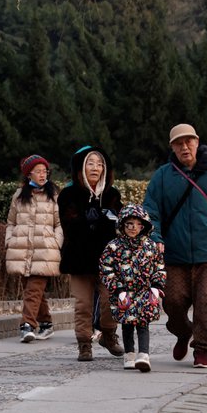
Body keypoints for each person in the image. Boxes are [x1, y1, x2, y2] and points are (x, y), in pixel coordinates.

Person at [143, 123, 207, 368]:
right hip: (174, 255)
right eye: (179, 143)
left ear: (197, 143)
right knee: (173, 303)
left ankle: (202, 349)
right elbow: (150, 212)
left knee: (206, 301)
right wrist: (156, 239)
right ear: (172, 148)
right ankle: (183, 331)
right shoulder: (163, 176)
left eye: (189, 141)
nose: (185, 146)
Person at [57, 145, 125, 362]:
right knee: (83, 304)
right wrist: (91, 219)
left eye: (100, 163)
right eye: (90, 163)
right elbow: (70, 224)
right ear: (81, 167)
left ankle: (108, 334)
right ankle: (84, 343)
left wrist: (100, 220)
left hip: (108, 259)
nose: (95, 167)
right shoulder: (68, 194)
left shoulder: (112, 194)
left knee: (109, 301)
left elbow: (118, 223)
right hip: (79, 258)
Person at [99, 204, 167, 372]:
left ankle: (144, 354)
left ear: (143, 226)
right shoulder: (114, 247)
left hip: (145, 291)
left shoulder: (150, 246)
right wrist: (118, 289)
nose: (133, 228)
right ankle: (129, 353)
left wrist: (156, 286)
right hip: (124, 292)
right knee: (127, 324)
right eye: (129, 224)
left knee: (143, 323)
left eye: (137, 224)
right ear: (122, 225)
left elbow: (159, 267)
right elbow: (106, 268)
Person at [4, 154, 63, 343]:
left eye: (45, 171)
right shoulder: (19, 195)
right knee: (34, 291)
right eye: (38, 171)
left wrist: (55, 242)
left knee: (33, 289)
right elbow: (11, 222)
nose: (43, 174)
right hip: (21, 250)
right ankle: (46, 323)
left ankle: (27, 325)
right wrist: (9, 240)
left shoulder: (53, 195)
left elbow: (59, 223)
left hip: (45, 250)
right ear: (29, 174)